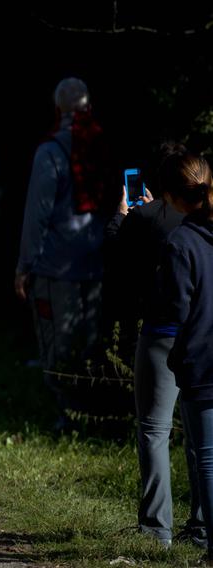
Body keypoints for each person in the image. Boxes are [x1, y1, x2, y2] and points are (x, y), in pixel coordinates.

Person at [105, 146, 207, 549]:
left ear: (162, 186)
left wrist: (124, 214)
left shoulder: (147, 217)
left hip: (161, 334)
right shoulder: (207, 218)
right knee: (204, 438)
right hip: (205, 334)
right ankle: (202, 528)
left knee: (153, 430)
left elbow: (114, 251)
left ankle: (156, 529)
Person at [14, 77, 107, 431]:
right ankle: (93, 415)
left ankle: (68, 416)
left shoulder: (51, 150)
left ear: (58, 109)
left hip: (56, 266)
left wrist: (24, 265)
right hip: (98, 263)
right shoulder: (104, 145)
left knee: (58, 341)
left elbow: (37, 214)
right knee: (92, 342)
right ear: (89, 107)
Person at [155, 155, 213, 565]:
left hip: (202, 361)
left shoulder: (180, 242)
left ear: (173, 198)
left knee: (206, 455)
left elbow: (176, 307)